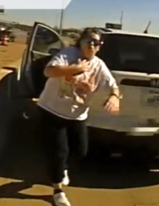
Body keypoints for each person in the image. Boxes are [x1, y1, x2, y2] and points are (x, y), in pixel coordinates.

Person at [36, 28, 120, 206]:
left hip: (77, 115)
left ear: (99, 46)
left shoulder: (99, 65)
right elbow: (49, 71)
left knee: (81, 150)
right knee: (59, 152)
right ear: (80, 42)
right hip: (52, 110)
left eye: (95, 43)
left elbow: (113, 86)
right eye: (88, 40)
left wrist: (114, 97)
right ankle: (57, 190)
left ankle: (61, 169)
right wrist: (76, 68)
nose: (91, 45)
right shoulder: (68, 54)